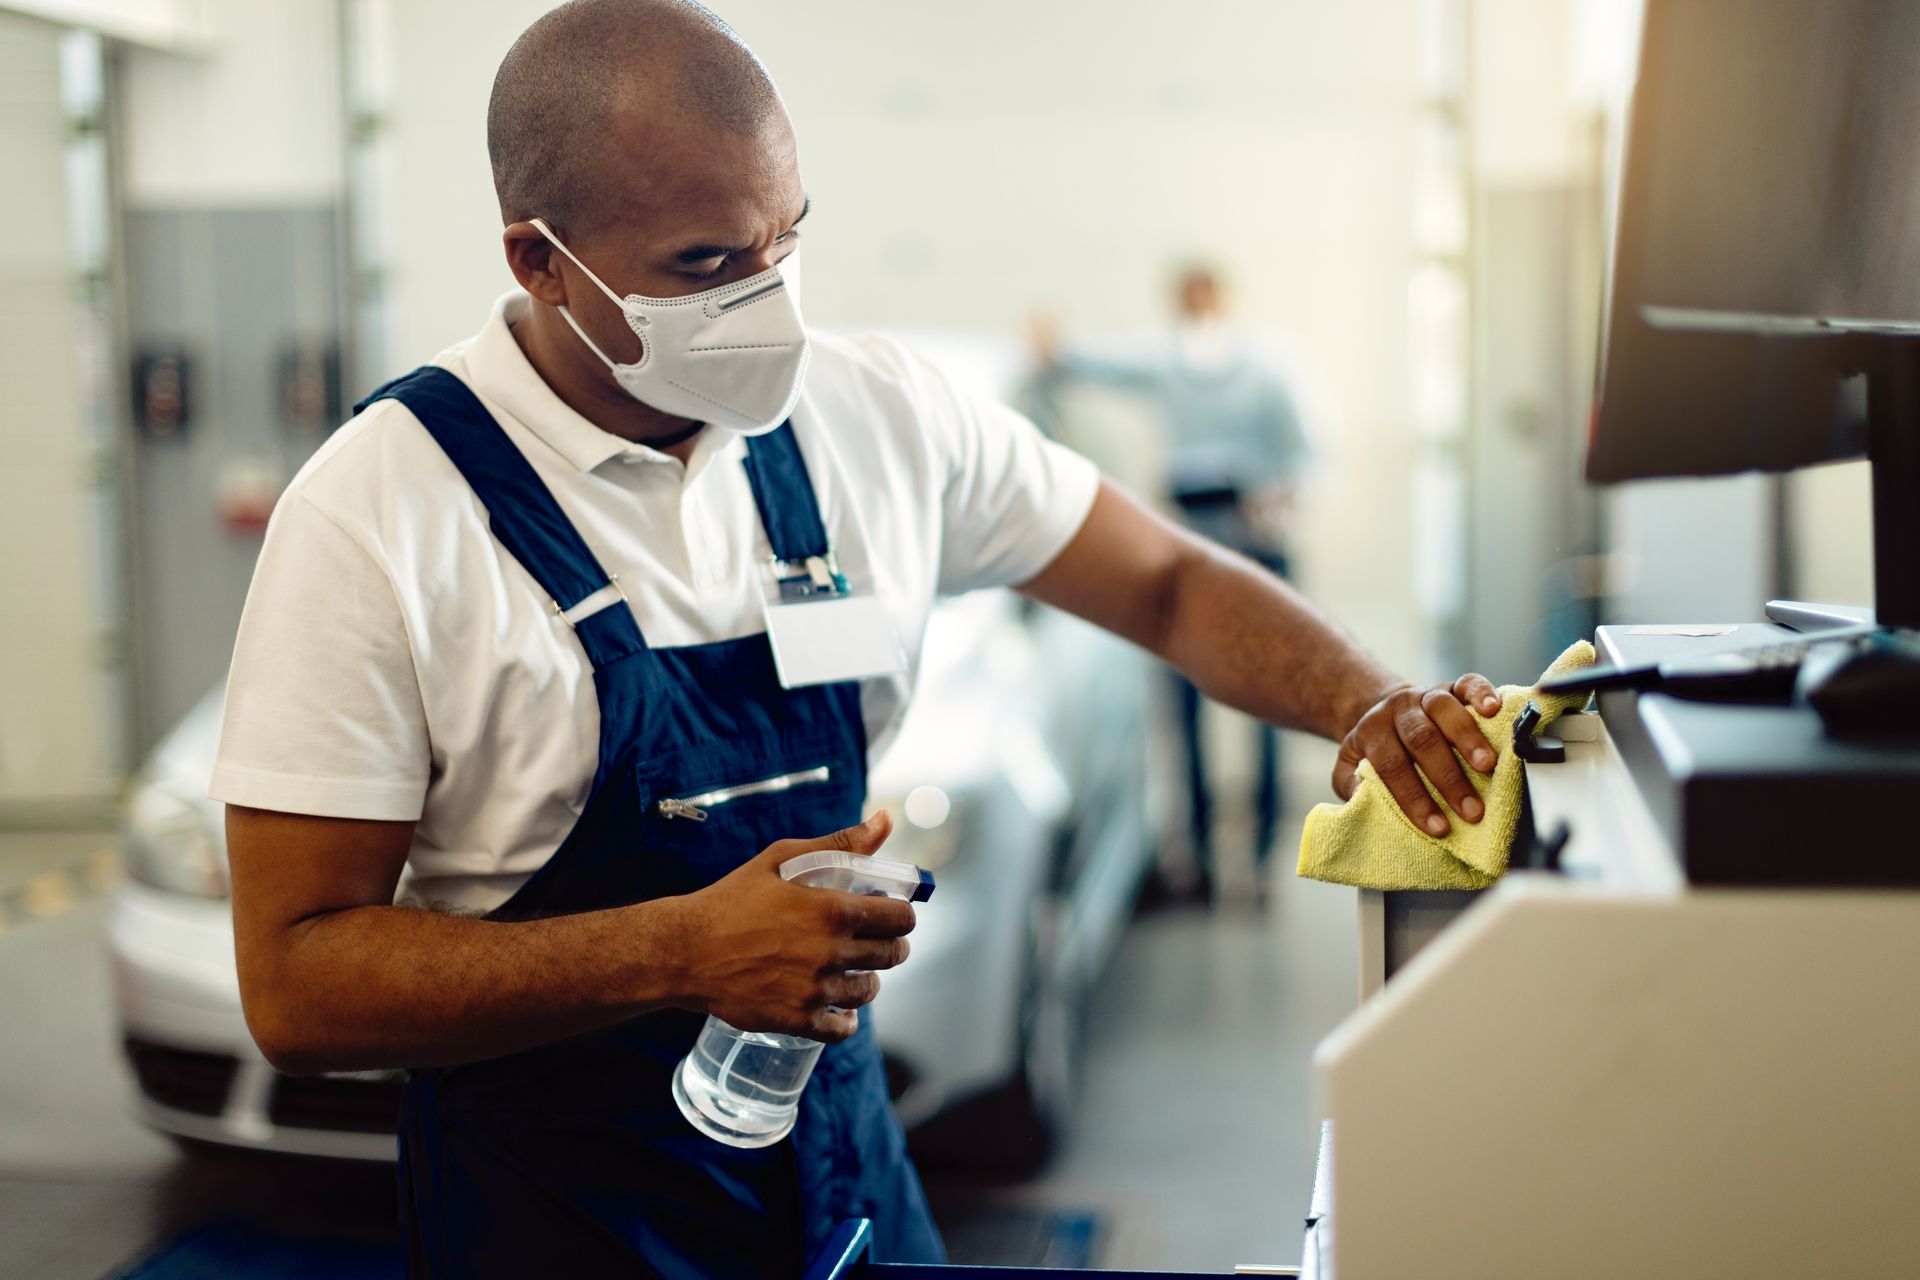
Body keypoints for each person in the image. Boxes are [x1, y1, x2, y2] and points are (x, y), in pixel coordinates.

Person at [212, 3, 1504, 1276]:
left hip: (842, 1175)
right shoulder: (380, 513)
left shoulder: (875, 415)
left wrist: (1367, 699)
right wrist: (684, 947)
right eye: (706, 268)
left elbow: (1163, 579)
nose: (766, 304)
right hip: (560, 1213)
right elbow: (298, 981)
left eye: (785, 243)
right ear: (538, 259)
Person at [1031, 268, 1311, 901]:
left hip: (1256, 543)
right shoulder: (1166, 362)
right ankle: (1203, 856)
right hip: (1191, 541)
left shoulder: (1267, 369)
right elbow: (1104, 365)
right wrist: (1055, 348)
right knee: (1185, 708)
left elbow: (1307, 452)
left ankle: (1263, 855)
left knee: (1269, 698)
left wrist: (1277, 499)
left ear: (1222, 298)